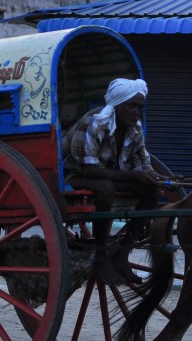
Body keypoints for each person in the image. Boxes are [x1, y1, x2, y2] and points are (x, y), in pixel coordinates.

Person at [62, 77, 162, 285]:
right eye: (131, 106)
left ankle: (122, 254)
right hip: (76, 175)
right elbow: (89, 170)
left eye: (140, 107)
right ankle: (100, 255)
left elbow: (144, 166)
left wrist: (163, 179)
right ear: (117, 105)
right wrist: (133, 176)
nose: (136, 112)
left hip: (109, 176)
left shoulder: (135, 129)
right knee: (106, 188)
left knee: (152, 191)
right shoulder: (94, 122)